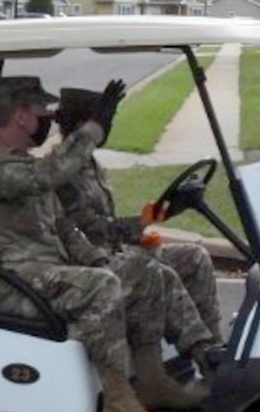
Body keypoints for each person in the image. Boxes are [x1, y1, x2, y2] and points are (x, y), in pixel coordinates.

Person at [0, 76, 164, 412]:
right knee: (100, 287)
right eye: (41, 112)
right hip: (7, 281)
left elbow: (63, 227)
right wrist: (93, 129)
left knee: (141, 268)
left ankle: (153, 380)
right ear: (21, 115)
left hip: (42, 273)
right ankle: (117, 402)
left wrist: (96, 258)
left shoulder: (22, 163)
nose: (46, 119)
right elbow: (50, 173)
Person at [52, 87, 225, 393]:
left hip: (116, 252)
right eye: (103, 122)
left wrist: (144, 228)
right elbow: (89, 231)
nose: (106, 129)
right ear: (81, 125)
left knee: (194, 257)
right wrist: (141, 223)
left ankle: (215, 352)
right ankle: (201, 355)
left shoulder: (93, 165)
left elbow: (108, 226)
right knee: (157, 272)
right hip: (89, 267)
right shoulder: (61, 173)